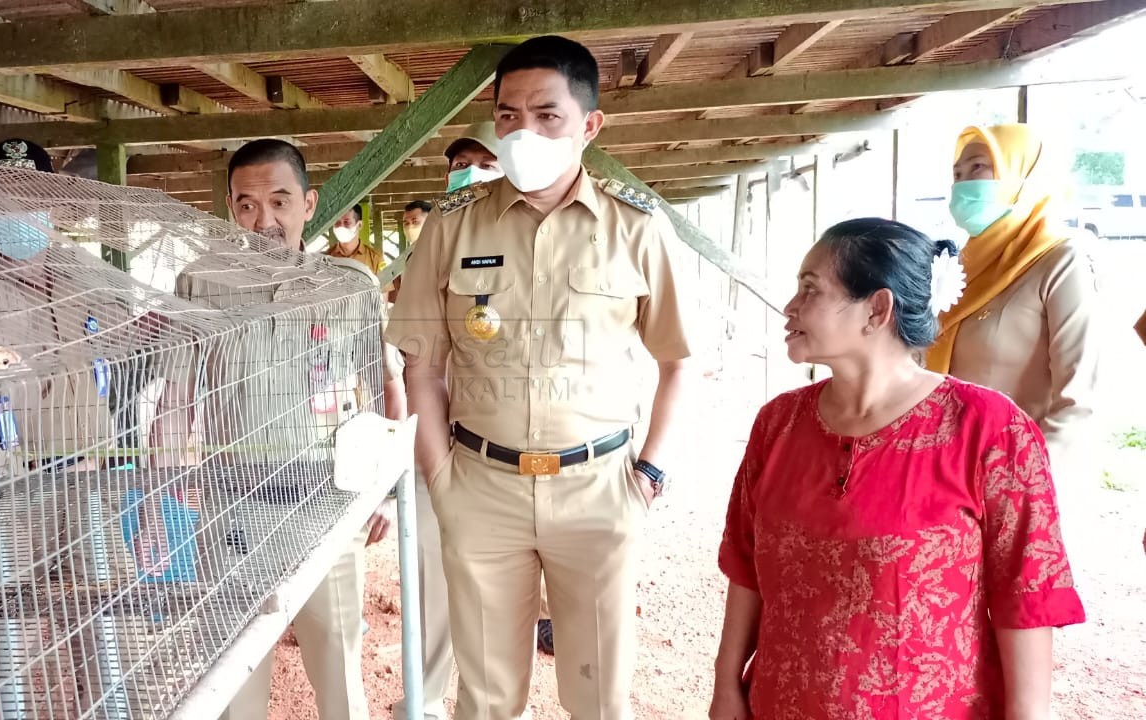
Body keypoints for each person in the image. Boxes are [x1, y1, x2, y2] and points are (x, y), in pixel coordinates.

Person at [386, 36, 693, 720]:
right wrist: (441, 479)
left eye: (546, 115)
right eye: (506, 115)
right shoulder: (450, 226)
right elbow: (421, 365)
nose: (522, 131)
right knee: (487, 697)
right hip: (480, 489)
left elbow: (676, 363)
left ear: (589, 124)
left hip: (598, 491)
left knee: (598, 696)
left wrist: (647, 477)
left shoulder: (636, 229)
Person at [710, 217, 1085, 719]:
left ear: (877, 309)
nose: (790, 307)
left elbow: (1027, 594)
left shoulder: (989, 431)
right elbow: (745, 564)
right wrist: (726, 686)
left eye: (810, 289)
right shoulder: (778, 424)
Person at [150, 138, 393, 720]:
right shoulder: (200, 285)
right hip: (231, 506)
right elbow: (177, 400)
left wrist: (382, 487)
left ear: (309, 205)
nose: (265, 220)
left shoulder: (350, 287)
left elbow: (377, 391)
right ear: (231, 209)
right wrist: (159, 501)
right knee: (236, 672)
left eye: (280, 201)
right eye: (247, 205)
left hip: (326, 507)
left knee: (338, 663)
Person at [930, 124, 1099, 483]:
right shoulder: (963, 265)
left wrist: (1023, 479)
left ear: (1021, 175)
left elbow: (1077, 399)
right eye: (956, 174)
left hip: (1020, 476)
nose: (963, 184)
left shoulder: (1061, 260)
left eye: (978, 168)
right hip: (951, 471)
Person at [327, 204, 386, 274]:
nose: (341, 226)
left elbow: (386, 284)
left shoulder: (375, 259)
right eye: (337, 222)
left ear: (359, 225)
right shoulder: (326, 257)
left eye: (346, 222)